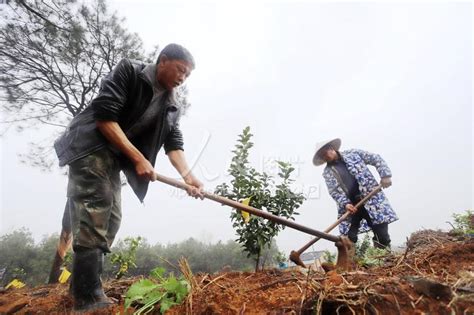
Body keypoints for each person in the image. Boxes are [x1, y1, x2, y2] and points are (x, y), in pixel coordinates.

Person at [54, 43, 203, 311]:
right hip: (89, 145)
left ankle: (79, 287)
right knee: (96, 209)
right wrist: (138, 158)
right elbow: (105, 117)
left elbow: (173, 142)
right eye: (181, 70)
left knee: (112, 219)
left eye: (188, 75)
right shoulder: (129, 71)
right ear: (164, 61)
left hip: (113, 158)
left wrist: (189, 176)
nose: (182, 78)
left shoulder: (171, 105)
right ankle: (87, 299)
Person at [313, 138, 398, 249]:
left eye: (326, 153)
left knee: (382, 235)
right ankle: (350, 261)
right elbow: (334, 192)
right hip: (353, 207)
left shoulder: (354, 154)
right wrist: (345, 204)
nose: (326, 157)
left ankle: (383, 258)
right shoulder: (328, 173)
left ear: (331, 148)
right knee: (348, 238)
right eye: (323, 156)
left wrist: (385, 175)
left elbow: (376, 158)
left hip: (372, 201)